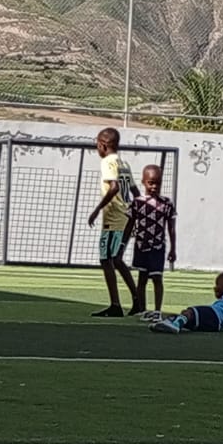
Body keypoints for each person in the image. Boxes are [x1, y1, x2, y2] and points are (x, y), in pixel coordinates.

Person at [86, 127, 138, 317]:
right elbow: (135, 192)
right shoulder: (123, 163)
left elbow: (114, 187)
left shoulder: (107, 162)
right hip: (125, 217)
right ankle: (135, 300)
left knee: (108, 260)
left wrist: (97, 209)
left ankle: (117, 304)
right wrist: (137, 213)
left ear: (103, 144)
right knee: (115, 259)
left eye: (97, 145)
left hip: (114, 219)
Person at [127, 164, 177, 319]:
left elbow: (171, 228)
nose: (154, 186)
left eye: (158, 183)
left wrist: (173, 249)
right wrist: (122, 244)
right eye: (151, 183)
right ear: (143, 182)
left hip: (158, 246)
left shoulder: (166, 203)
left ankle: (157, 310)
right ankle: (142, 310)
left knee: (157, 277)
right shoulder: (137, 202)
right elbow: (129, 224)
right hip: (141, 245)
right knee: (142, 278)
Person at [150, 271, 223, 333]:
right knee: (188, 318)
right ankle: (170, 324)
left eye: (218, 284)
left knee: (189, 311)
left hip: (213, 315)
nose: (216, 287)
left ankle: (175, 324)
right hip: (214, 325)